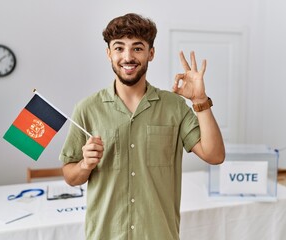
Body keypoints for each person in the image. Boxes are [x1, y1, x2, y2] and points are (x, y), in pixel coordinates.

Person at [60, 13, 225, 240]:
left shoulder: (174, 106)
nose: (127, 57)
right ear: (109, 53)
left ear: (151, 53)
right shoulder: (87, 109)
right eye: (119, 48)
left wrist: (200, 101)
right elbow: (70, 176)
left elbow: (214, 155)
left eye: (137, 48)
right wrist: (85, 165)